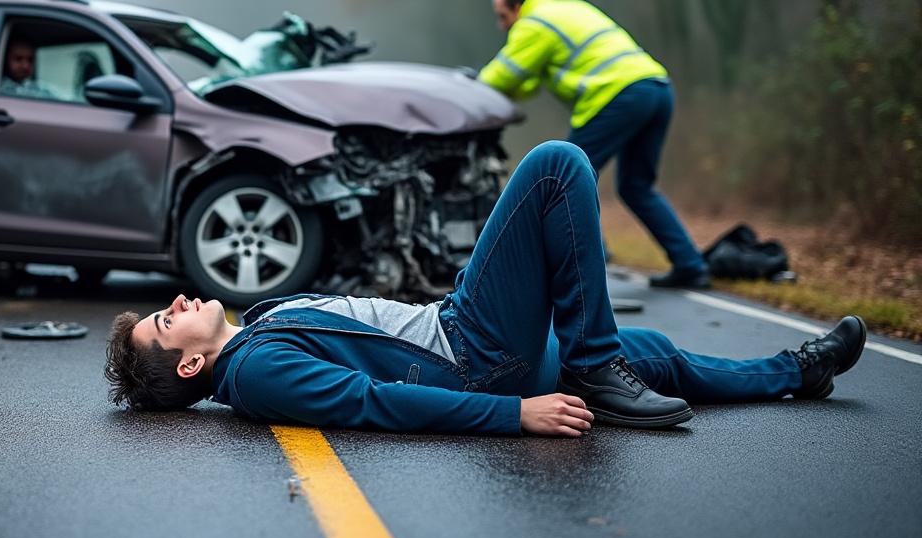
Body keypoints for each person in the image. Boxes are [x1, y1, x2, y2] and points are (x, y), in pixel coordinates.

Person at [104, 141, 866, 436]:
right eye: (167, 328)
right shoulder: (259, 373)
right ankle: (595, 364)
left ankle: (800, 370)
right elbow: (377, 405)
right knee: (554, 166)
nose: (176, 305)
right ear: (192, 367)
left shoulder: (261, 324)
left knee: (658, 355)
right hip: (476, 355)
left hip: (462, 331)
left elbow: (375, 332)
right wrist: (516, 414)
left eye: (164, 311)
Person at [477, 0, 709, 289]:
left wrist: (470, 84)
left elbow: (503, 76)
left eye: (503, 16)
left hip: (618, 95)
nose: (501, 25)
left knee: (564, 176)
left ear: (517, 7)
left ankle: (592, 267)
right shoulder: (570, 9)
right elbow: (526, 82)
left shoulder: (534, 24)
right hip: (656, 88)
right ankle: (690, 263)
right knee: (636, 186)